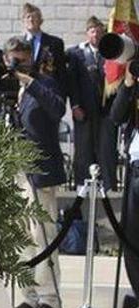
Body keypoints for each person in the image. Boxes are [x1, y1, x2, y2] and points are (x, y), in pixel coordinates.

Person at [2, 37, 66, 308]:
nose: (18, 64)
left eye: (23, 59)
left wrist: (30, 81)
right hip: (18, 168)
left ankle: (49, 298)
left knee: (43, 233)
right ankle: (29, 294)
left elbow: (57, 109)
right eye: (14, 59)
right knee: (22, 235)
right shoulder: (8, 88)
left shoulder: (43, 83)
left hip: (40, 169)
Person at [67, 16, 118, 191]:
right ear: (87, 33)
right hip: (84, 110)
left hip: (107, 110)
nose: (95, 34)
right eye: (92, 31)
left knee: (106, 149)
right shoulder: (76, 54)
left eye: (98, 30)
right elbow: (72, 83)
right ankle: (82, 187)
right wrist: (74, 106)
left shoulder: (112, 53)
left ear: (104, 32)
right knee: (83, 150)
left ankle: (109, 188)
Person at [109, 58, 139, 308]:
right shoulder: (134, 89)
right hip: (135, 167)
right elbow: (116, 116)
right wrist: (129, 84)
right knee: (131, 237)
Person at [21, 3, 68, 94]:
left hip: (48, 94)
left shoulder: (55, 43)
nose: (31, 19)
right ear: (23, 21)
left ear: (41, 21)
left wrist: (61, 97)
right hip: (25, 95)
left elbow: (62, 73)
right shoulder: (18, 44)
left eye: (34, 17)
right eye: (28, 17)